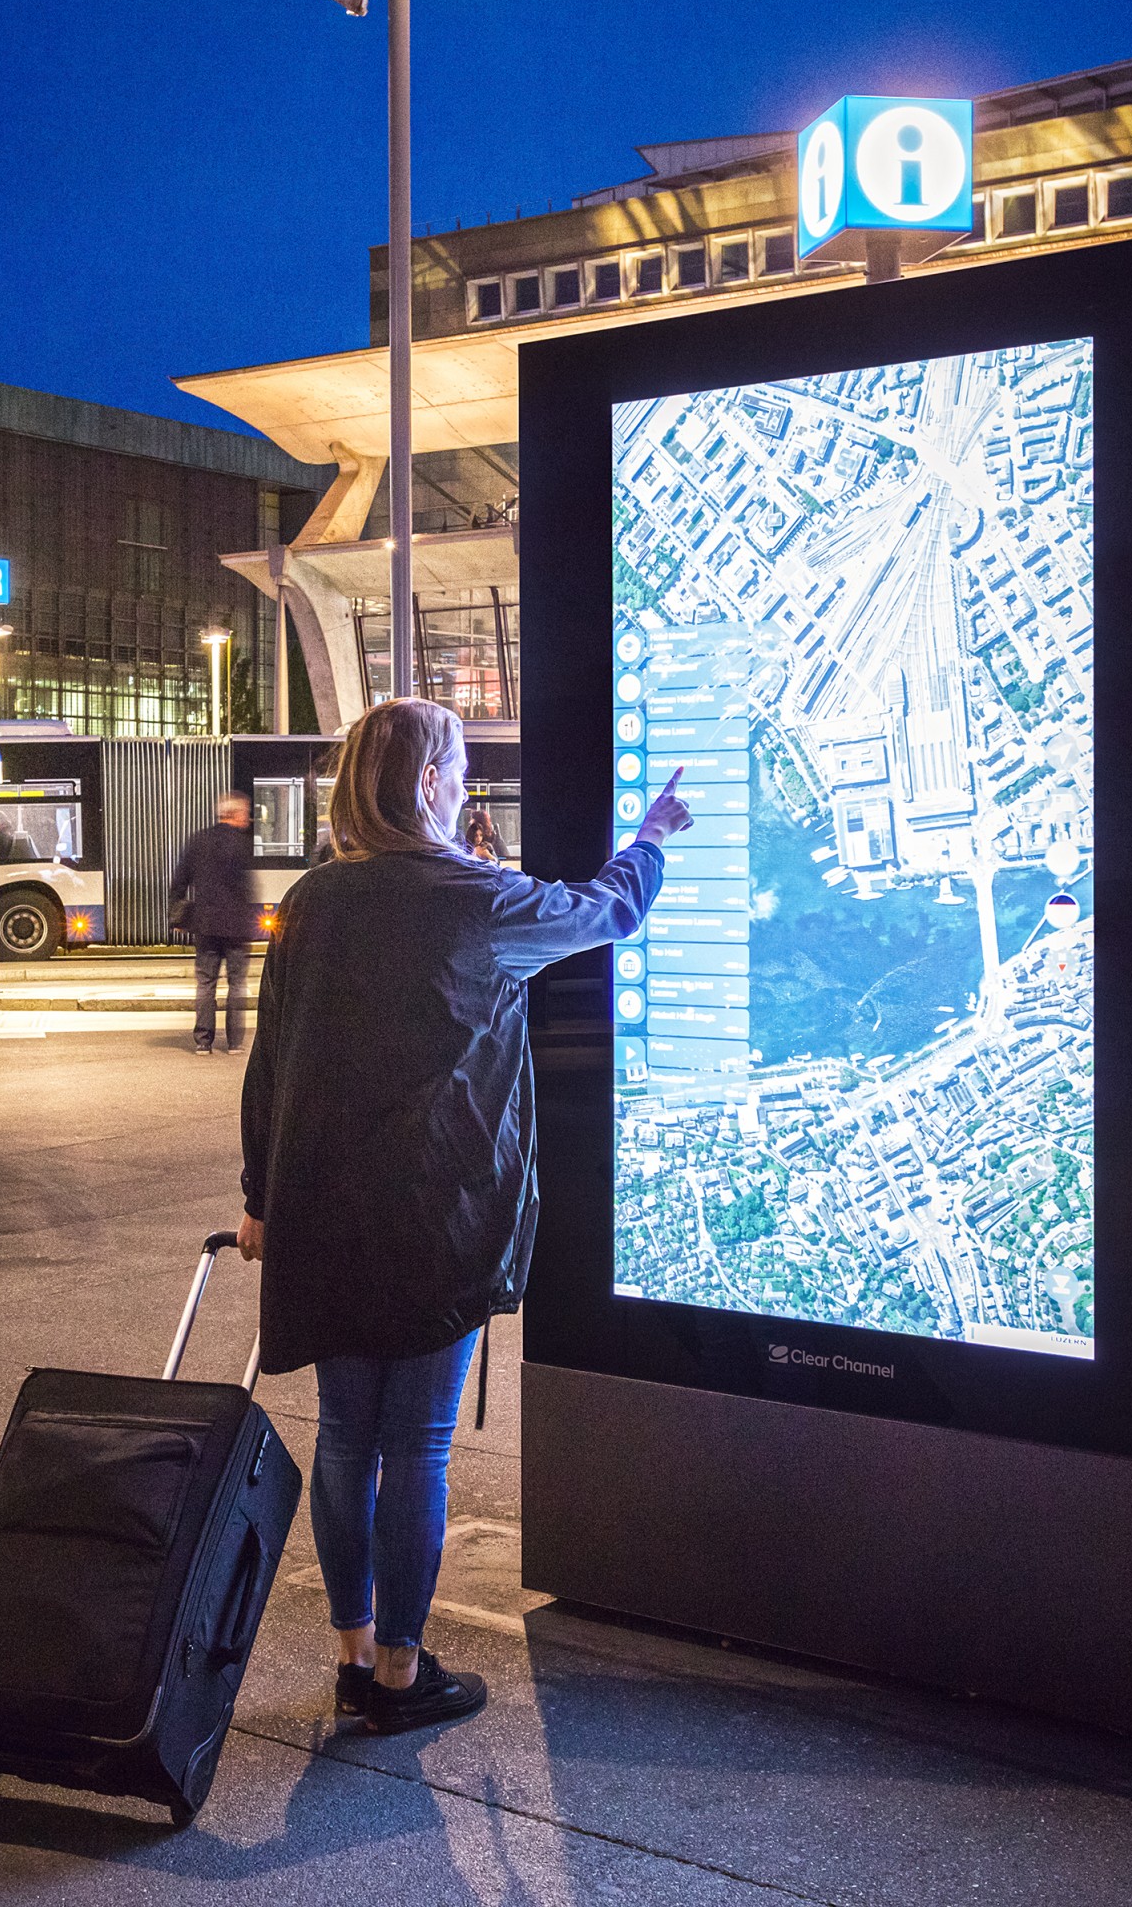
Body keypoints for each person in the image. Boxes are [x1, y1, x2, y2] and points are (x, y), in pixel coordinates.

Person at [238, 699, 691, 1735]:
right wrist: (650, 837)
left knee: (347, 1440)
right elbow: (604, 912)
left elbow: (272, 1063)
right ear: (429, 783)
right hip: (433, 1215)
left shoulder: (309, 901)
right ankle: (400, 1672)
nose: (460, 783)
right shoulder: (473, 898)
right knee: (419, 1446)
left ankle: (353, 1650)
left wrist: (261, 1196)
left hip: (320, 1213)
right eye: (453, 766)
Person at [168, 791, 258, 1054]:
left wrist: (177, 916)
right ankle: (234, 1043)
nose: (248, 818)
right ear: (234, 814)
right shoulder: (243, 844)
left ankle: (203, 1042)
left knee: (206, 984)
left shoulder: (198, 841)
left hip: (206, 926)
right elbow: (247, 888)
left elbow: (179, 883)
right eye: (245, 813)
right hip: (236, 929)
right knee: (236, 984)